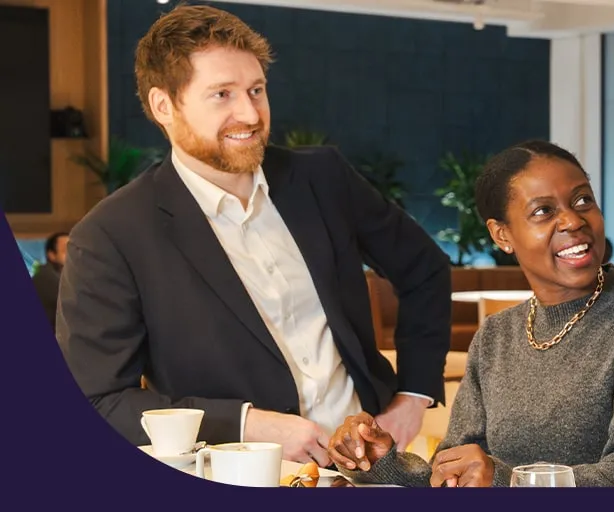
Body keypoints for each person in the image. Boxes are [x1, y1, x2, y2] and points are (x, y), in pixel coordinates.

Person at [57, 5, 452, 467]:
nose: (249, 113)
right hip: (235, 473)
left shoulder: (322, 178)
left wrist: (414, 394)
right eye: (222, 94)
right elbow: (98, 400)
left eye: (256, 90)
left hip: (373, 465)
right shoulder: (110, 235)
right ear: (163, 105)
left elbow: (424, 268)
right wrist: (248, 425)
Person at [325, 140, 614, 487]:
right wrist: (383, 463)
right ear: (501, 235)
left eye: (582, 201)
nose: (573, 221)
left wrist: (508, 481)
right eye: (543, 211)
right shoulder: (496, 335)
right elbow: (455, 472)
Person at [31, 231, 68, 335]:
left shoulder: (54, 276)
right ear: (52, 255)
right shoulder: (47, 279)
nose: (71, 255)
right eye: (65, 250)